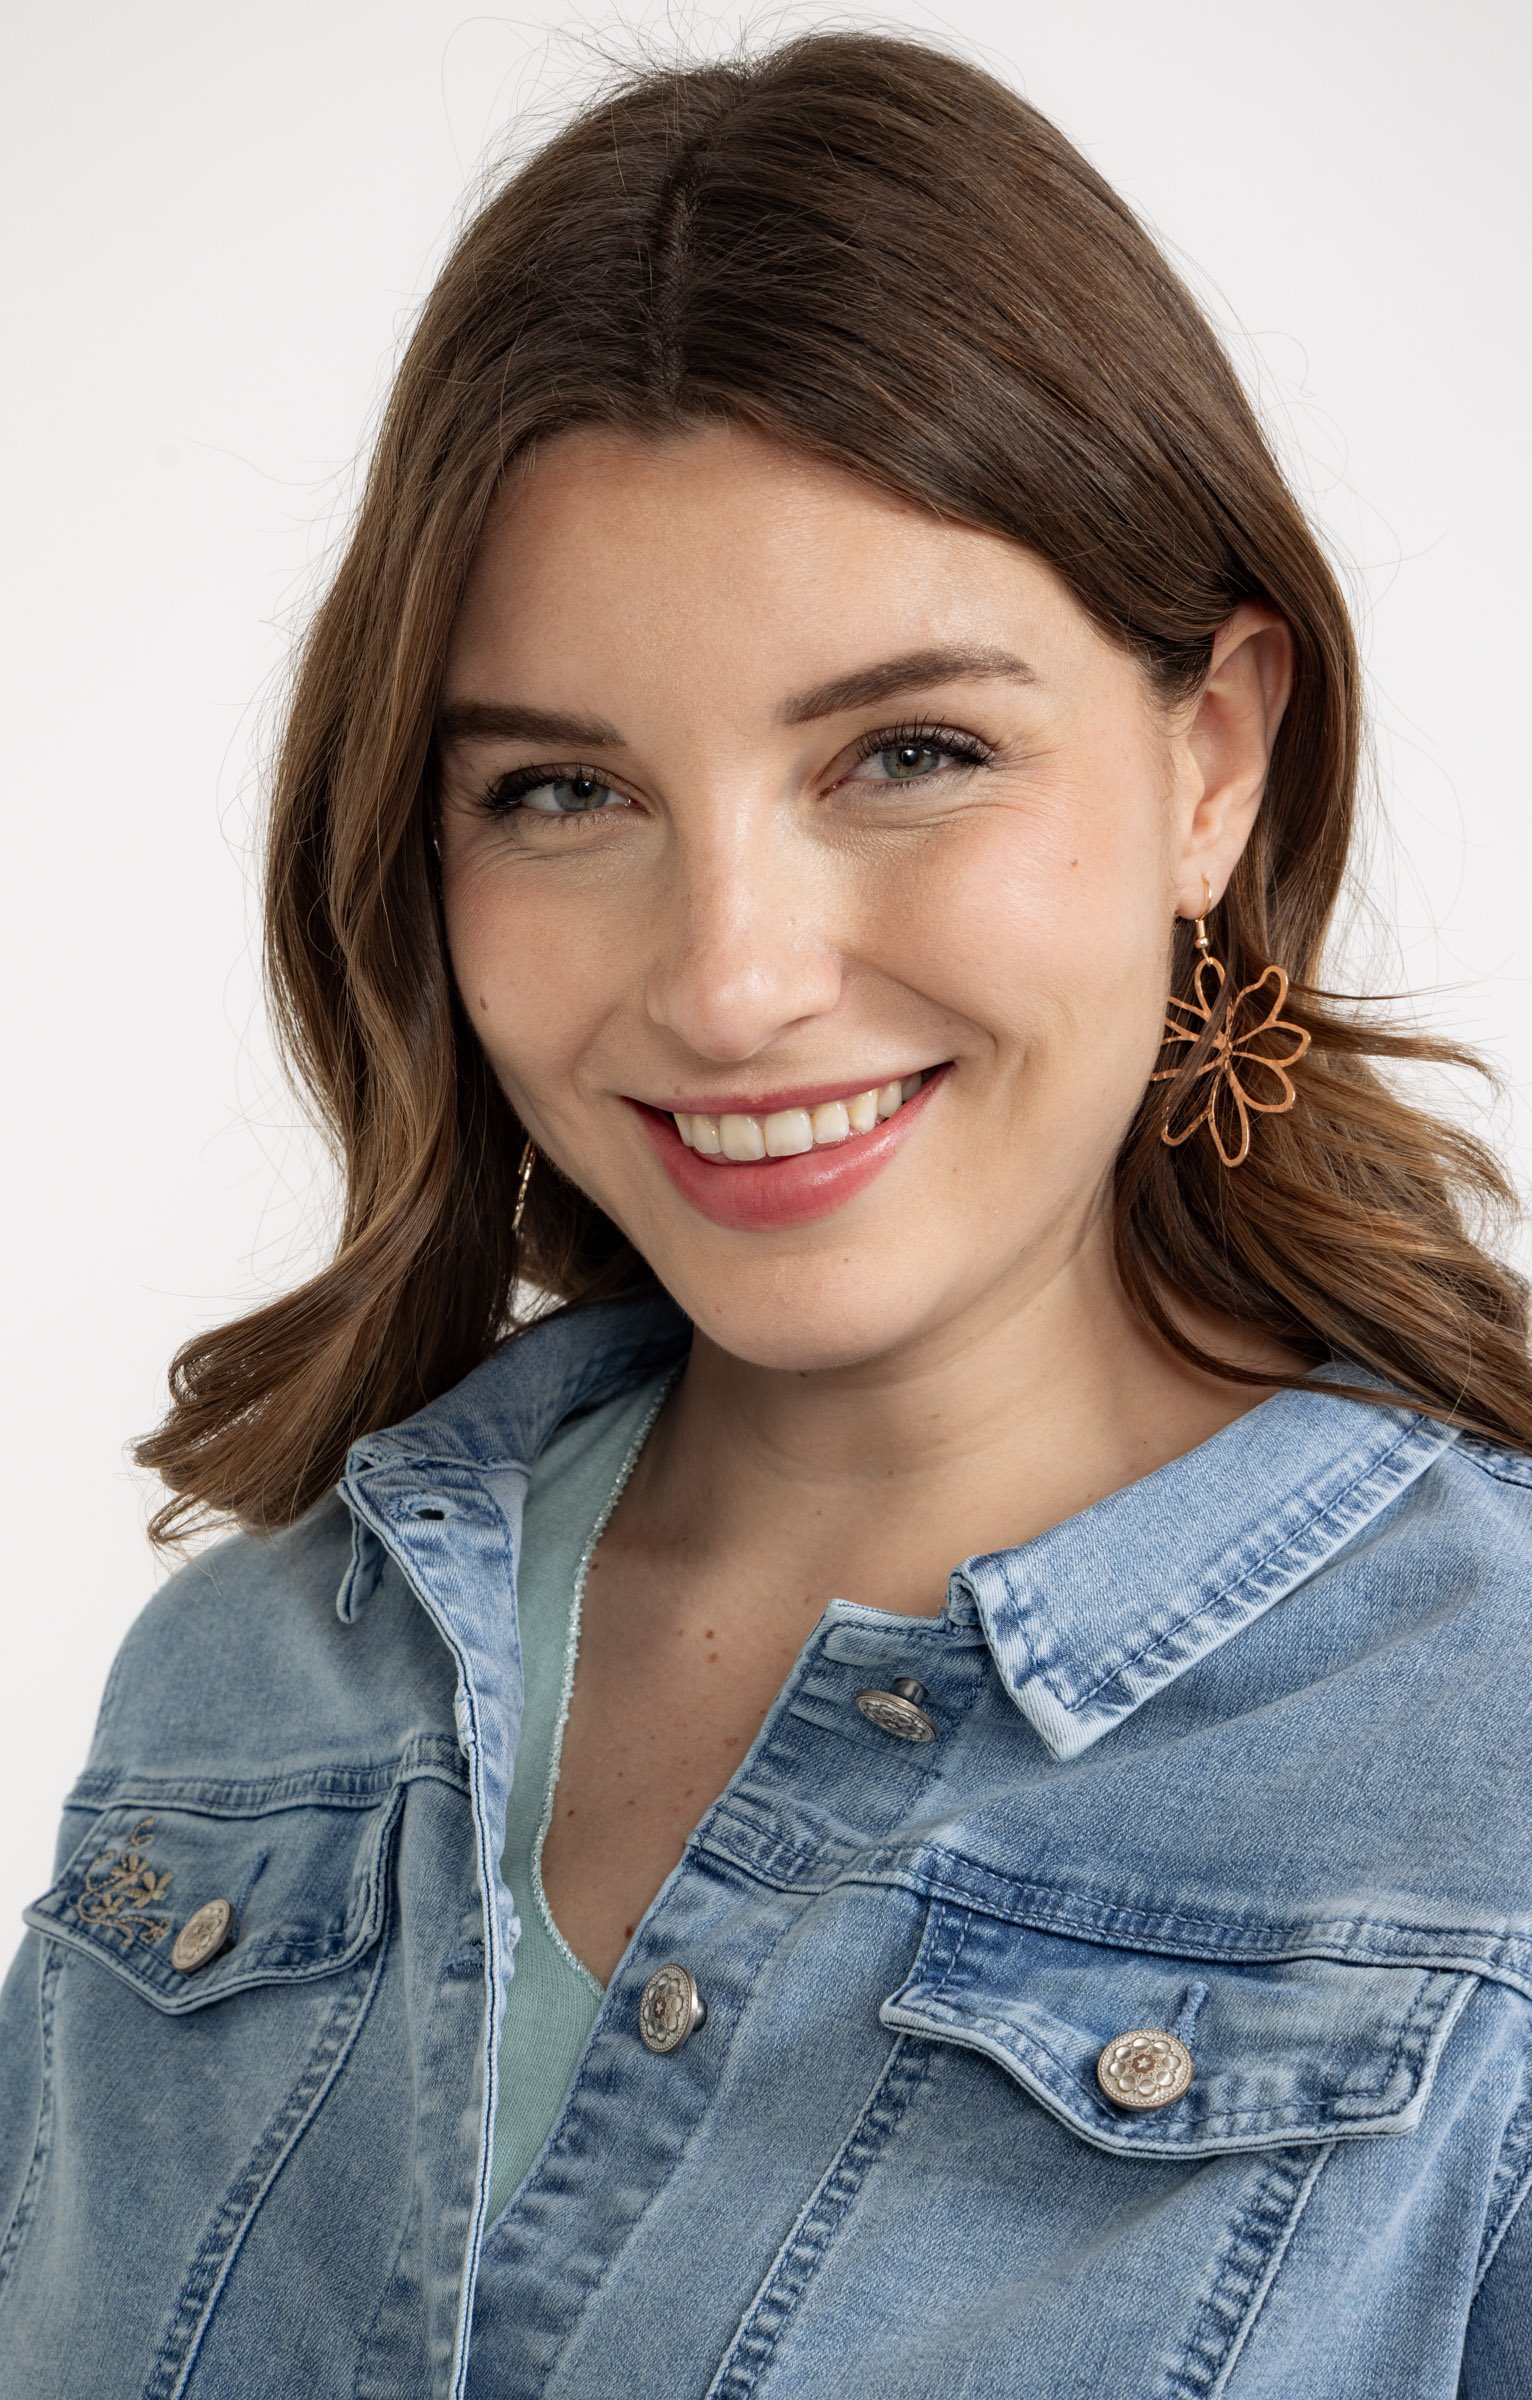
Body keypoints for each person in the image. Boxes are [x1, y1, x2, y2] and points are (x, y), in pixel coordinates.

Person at [2, 24, 1528, 2397]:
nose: (728, 983)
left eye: (908, 752)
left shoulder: (1487, 1769)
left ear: (1212, 757)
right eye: (562, 790)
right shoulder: (252, 1686)